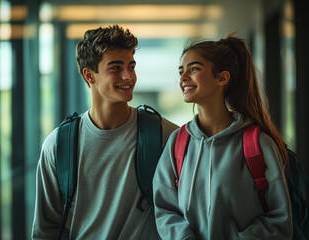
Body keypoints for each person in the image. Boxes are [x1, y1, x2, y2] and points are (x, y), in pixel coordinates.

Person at [31, 25, 178, 239]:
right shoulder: (58, 145)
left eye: (131, 66)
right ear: (90, 75)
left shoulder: (164, 136)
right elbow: (46, 230)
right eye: (116, 68)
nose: (129, 76)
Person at [152, 34, 293, 239]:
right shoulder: (178, 142)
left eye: (194, 69)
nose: (183, 78)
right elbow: (165, 209)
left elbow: (280, 221)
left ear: (222, 78)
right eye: (181, 71)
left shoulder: (258, 144)